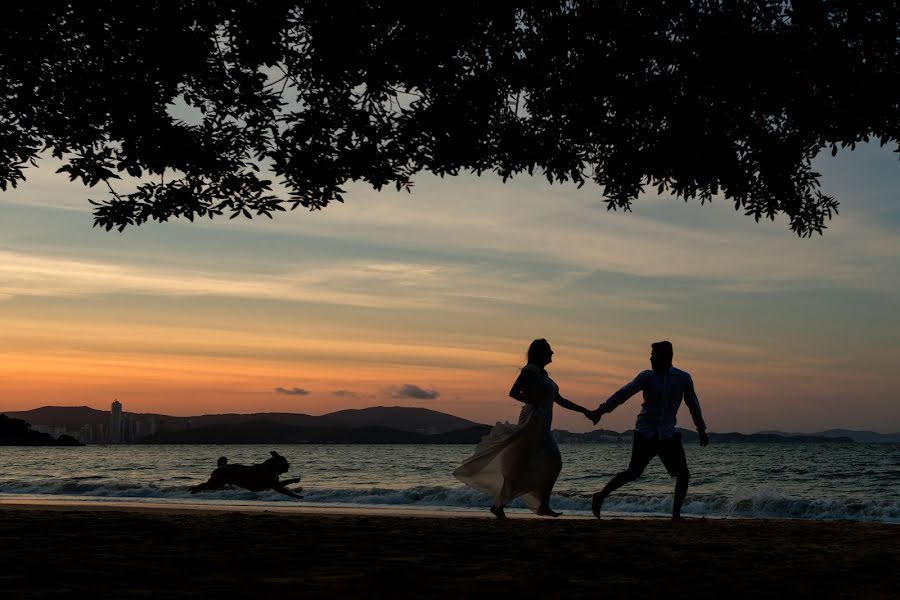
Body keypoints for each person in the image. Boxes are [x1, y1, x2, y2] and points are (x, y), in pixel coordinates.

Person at [453, 338, 596, 519]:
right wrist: (533, 401)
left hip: (543, 425)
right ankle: (525, 505)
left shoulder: (544, 375)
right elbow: (514, 392)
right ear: (541, 353)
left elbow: (560, 400)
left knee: (539, 465)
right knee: (540, 463)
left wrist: (585, 411)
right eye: (549, 350)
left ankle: (525, 505)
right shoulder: (530, 371)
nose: (552, 353)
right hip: (532, 422)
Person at [587, 341, 709, 522]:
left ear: (667, 357)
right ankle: (601, 495)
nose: (650, 358)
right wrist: (600, 411)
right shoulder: (647, 377)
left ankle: (676, 515)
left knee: (683, 474)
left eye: (654, 355)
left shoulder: (683, 378)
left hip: (668, 434)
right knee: (633, 472)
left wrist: (701, 429)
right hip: (646, 433)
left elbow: (693, 405)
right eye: (651, 355)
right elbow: (623, 394)